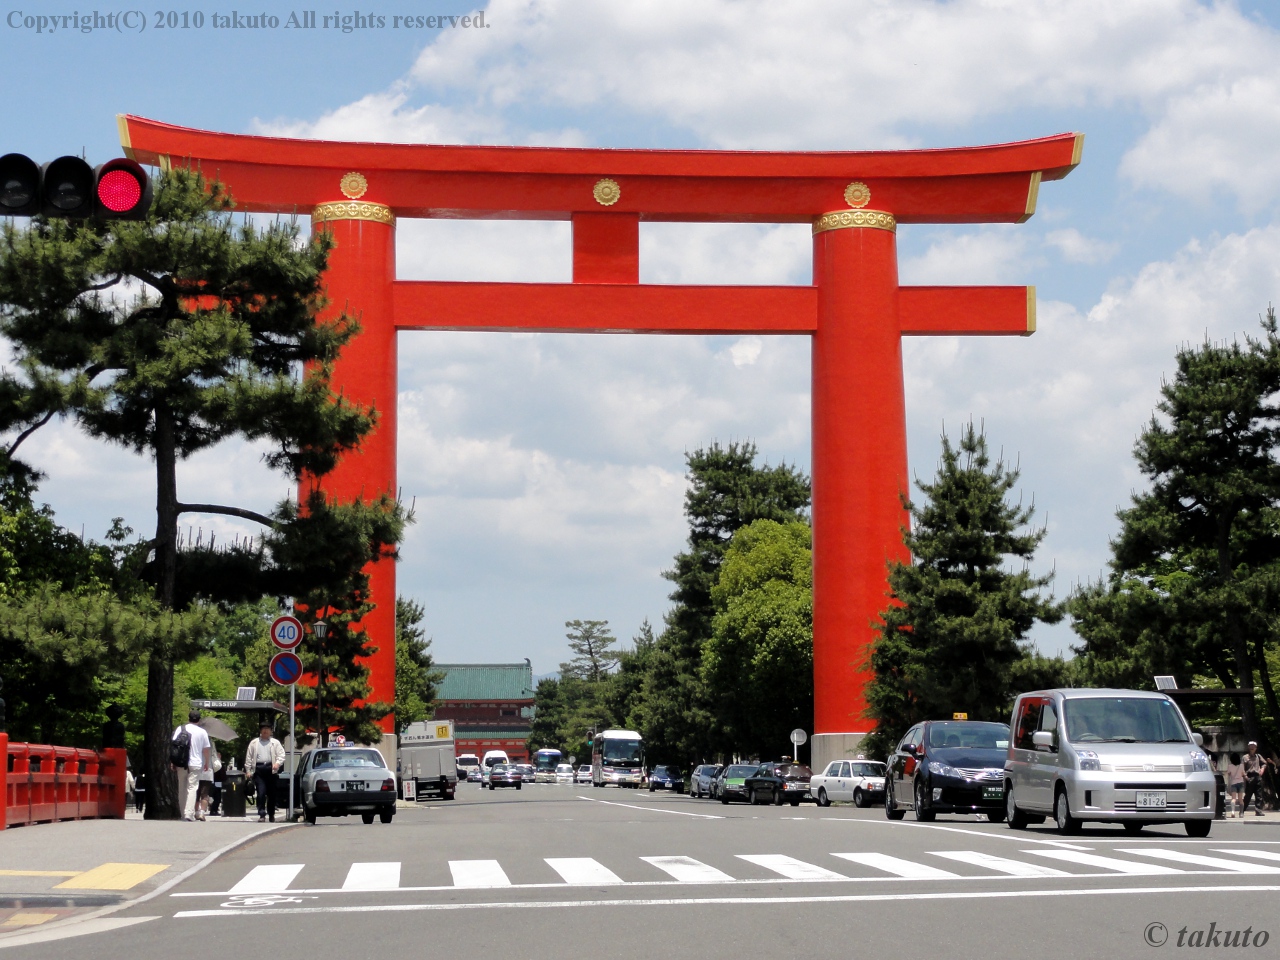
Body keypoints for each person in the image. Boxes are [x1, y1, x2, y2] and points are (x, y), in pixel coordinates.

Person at [171, 710, 212, 822]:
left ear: (188, 718)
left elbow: (174, 746)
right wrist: (207, 763)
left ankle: (182, 813)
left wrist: (173, 762)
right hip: (196, 763)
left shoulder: (180, 729)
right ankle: (189, 813)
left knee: (182, 788)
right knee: (192, 788)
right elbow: (206, 750)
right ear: (199, 720)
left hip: (181, 762)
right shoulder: (202, 732)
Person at [245, 723, 285, 822]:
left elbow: (281, 754)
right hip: (259, 769)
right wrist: (248, 770)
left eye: (268, 729)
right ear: (260, 731)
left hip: (271, 770)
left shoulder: (275, 743)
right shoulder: (254, 743)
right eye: (264, 729)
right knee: (261, 793)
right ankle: (262, 814)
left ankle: (271, 814)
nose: (266, 731)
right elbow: (249, 757)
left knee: (272, 794)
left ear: (271, 731)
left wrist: (277, 763)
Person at [1241, 741, 1272, 816]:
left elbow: (1264, 763)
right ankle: (1242, 810)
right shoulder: (1245, 757)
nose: (1252, 747)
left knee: (1259, 795)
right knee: (1248, 796)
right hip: (1250, 776)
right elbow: (1241, 768)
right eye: (1251, 746)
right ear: (1248, 747)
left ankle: (1258, 810)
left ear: (1256, 748)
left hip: (1258, 777)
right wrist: (1245, 777)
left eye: (1253, 746)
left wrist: (1262, 769)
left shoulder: (1258, 756)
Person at [1226, 752, 1245, 817]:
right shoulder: (1241, 765)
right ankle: (1241, 813)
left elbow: (1228, 774)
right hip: (1241, 782)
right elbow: (1243, 774)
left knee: (1233, 798)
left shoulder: (1230, 766)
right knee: (1240, 799)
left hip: (1233, 783)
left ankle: (1233, 812)